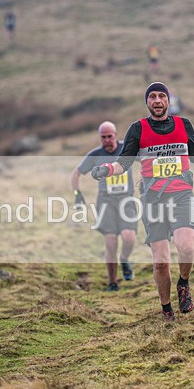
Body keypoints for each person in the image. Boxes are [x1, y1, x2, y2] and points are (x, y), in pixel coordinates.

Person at [90, 82, 194, 321]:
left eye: (162, 96)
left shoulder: (184, 125)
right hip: (153, 201)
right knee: (161, 263)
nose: (158, 100)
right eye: (153, 97)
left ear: (168, 100)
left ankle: (183, 284)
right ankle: (167, 309)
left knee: (187, 247)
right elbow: (123, 163)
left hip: (181, 194)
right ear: (147, 102)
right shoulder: (137, 129)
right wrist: (106, 169)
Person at [72, 121, 138, 292]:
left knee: (129, 236)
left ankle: (124, 259)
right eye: (103, 137)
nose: (107, 140)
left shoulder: (127, 148)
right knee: (111, 242)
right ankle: (112, 282)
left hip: (126, 199)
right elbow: (76, 173)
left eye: (110, 136)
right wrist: (77, 195)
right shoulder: (95, 155)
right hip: (106, 201)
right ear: (100, 137)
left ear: (115, 135)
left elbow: (146, 161)